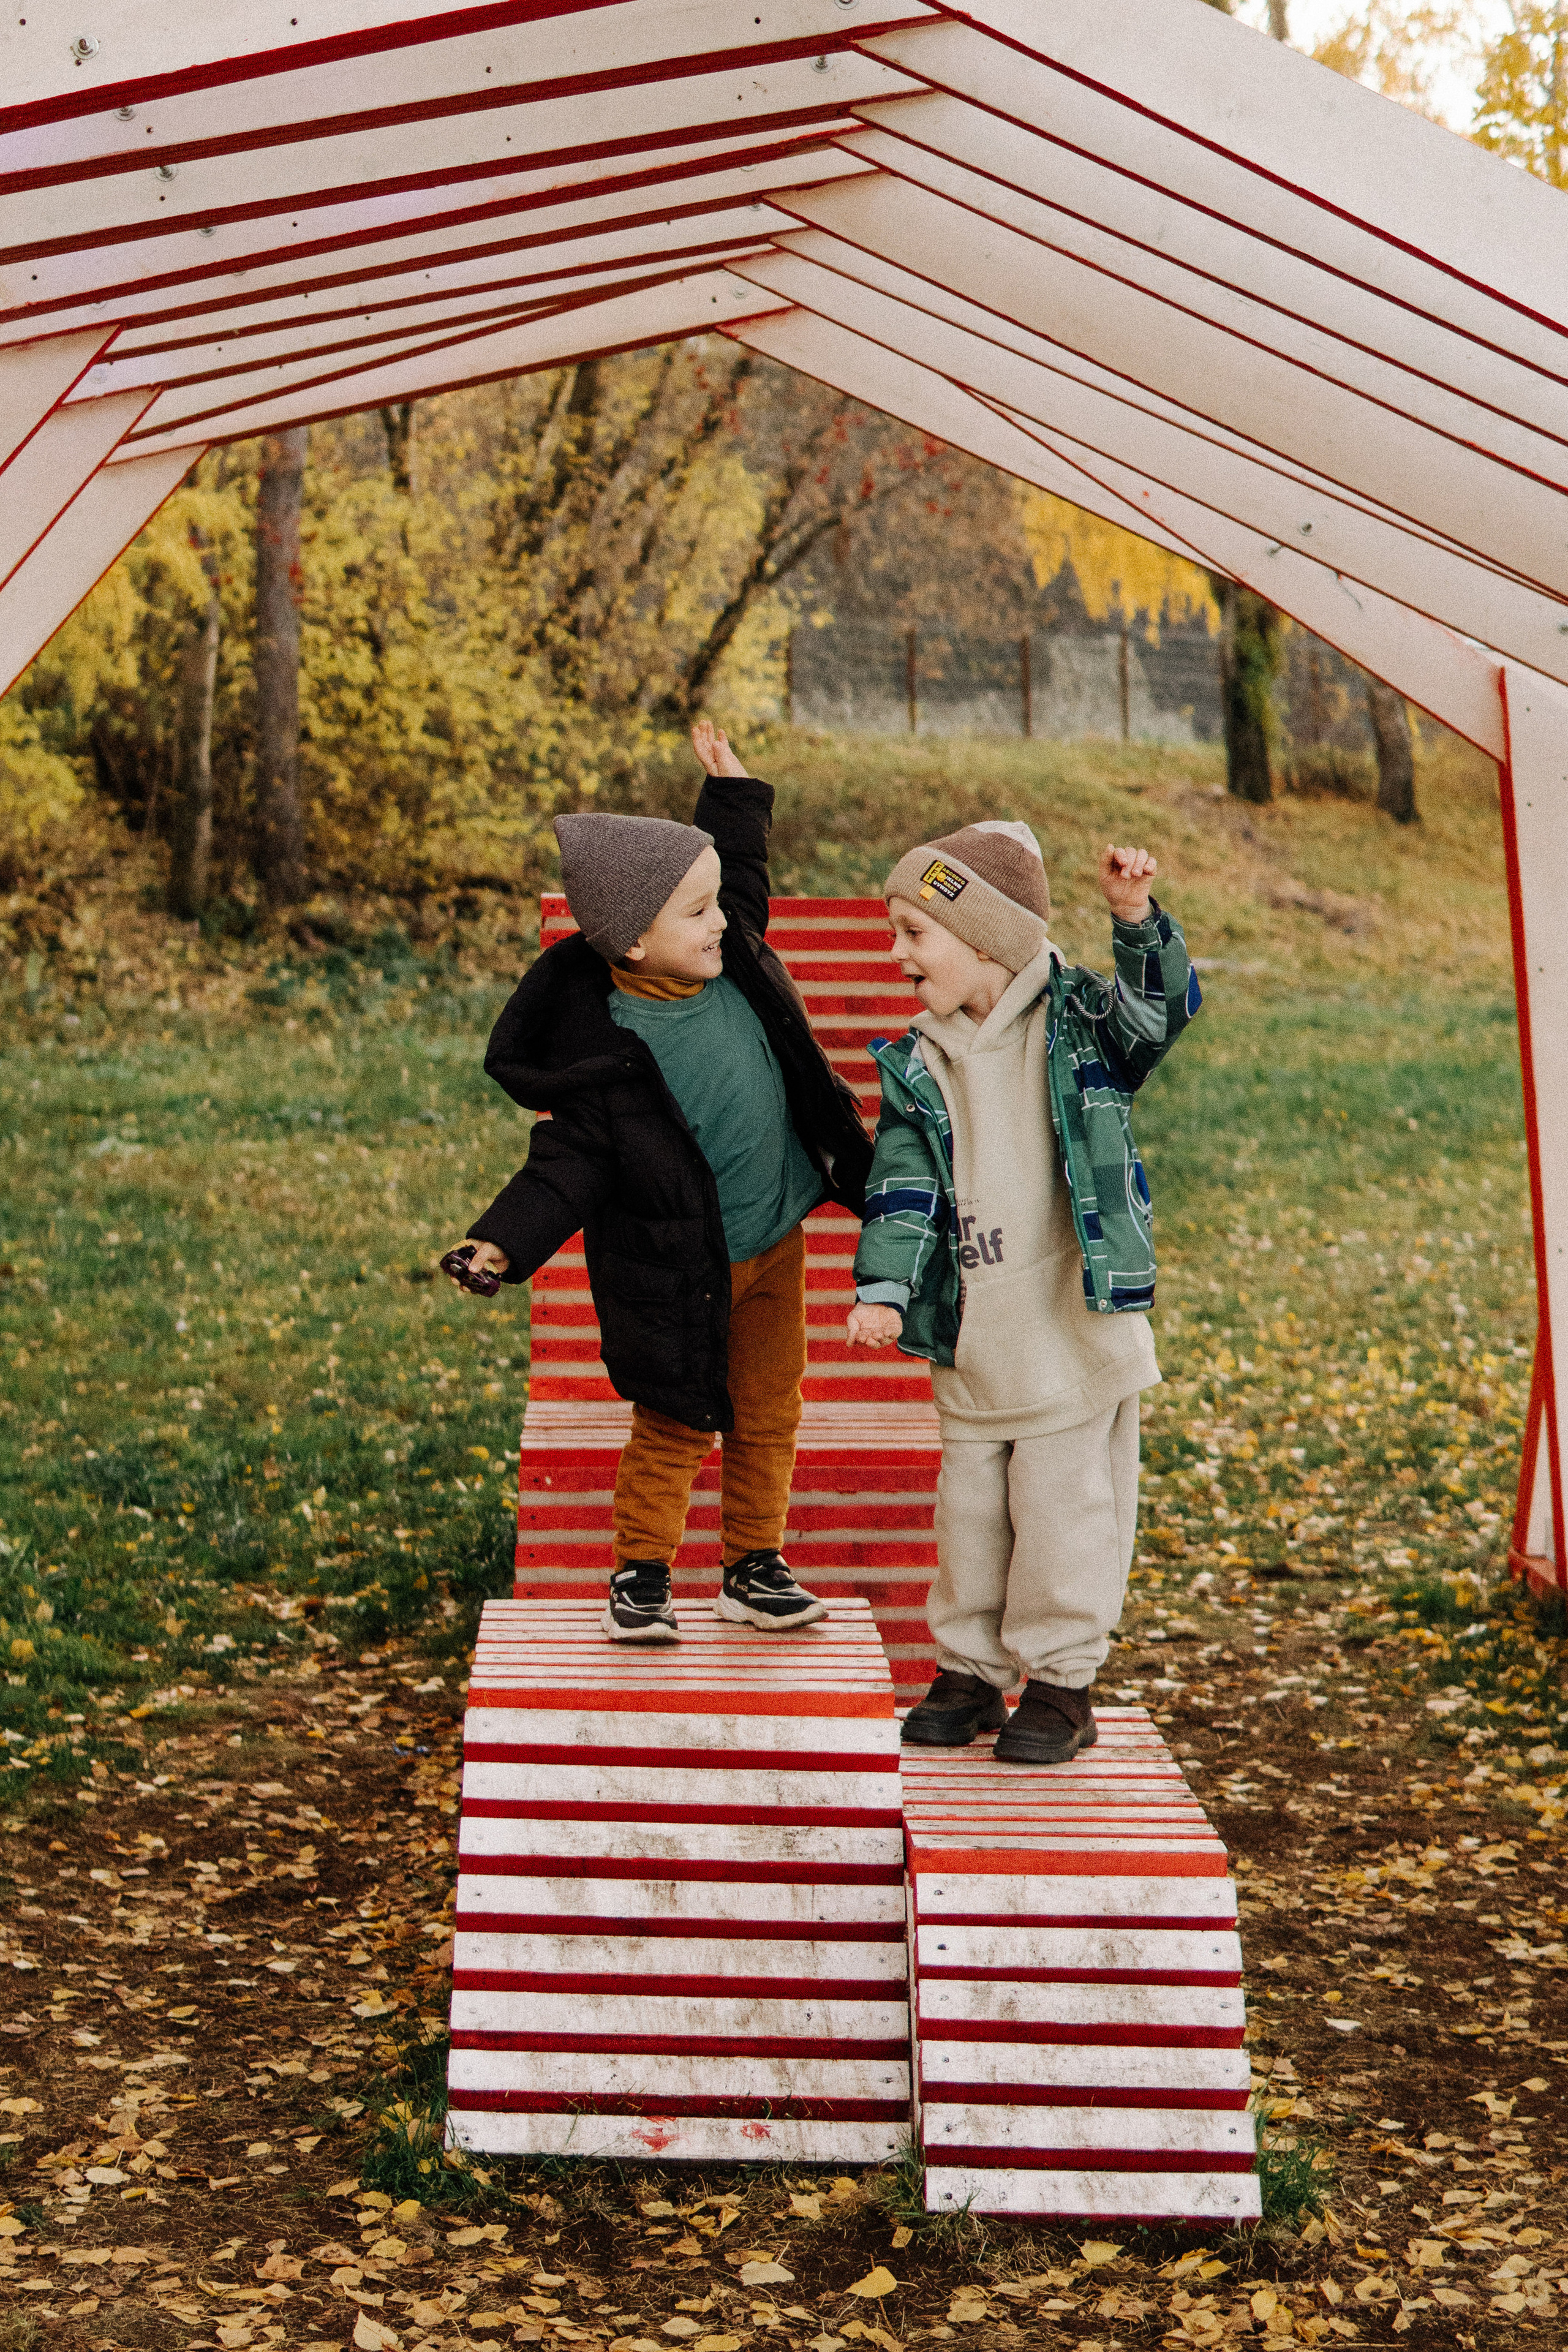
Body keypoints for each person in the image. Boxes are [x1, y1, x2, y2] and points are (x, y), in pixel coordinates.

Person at [443, 722, 872, 1642]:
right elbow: (563, 1166)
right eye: (697, 912)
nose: (721, 920)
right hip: (677, 1270)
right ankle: (641, 1573)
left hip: (774, 1246)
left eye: (716, 907)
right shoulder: (605, 1053)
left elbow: (741, 879)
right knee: (676, 1417)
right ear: (634, 943)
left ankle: (753, 1564)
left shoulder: (735, 963)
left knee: (770, 1410)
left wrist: (733, 796)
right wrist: (501, 1242)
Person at [846, 820, 1199, 1763]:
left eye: (915, 933)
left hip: (1068, 1327)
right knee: (969, 1514)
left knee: (1061, 1511)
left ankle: (1060, 1683)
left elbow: (1159, 1014)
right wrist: (884, 1286)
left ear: (986, 937)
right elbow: (903, 1184)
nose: (898, 954)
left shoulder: (1079, 1022)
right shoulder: (919, 1061)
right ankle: (969, 1669)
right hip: (977, 1332)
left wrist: (1135, 919)